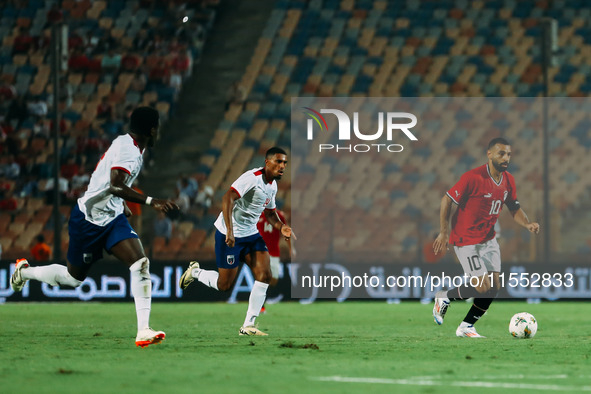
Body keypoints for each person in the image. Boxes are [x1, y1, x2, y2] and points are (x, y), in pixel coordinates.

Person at [10, 107, 178, 347]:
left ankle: (143, 330)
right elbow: (115, 185)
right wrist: (153, 201)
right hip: (88, 219)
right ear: (152, 130)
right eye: (157, 127)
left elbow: (110, 183)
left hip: (112, 218)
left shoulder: (127, 144)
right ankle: (24, 272)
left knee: (140, 263)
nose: (158, 132)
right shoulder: (129, 150)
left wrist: (120, 203)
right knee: (72, 279)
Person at [179, 147, 295, 336]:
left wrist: (281, 227)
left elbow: (270, 213)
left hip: (251, 235)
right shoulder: (252, 178)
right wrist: (230, 231)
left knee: (265, 274)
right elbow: (227, 197)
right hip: (228, 234)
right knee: (224, 285)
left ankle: (248, 325)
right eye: (278, 161)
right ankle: (196, 272)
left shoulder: (272, 186)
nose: (282, 166)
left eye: (284, 163)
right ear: (267, 162)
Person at [432, 138, 540, 338]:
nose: (506, 158)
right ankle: (444, 297)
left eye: (508, 154)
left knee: (494, 286)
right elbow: (447, 199)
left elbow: (514, 207)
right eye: (501, 153)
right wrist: (443, 231)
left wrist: (527, 223)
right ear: (489, 154)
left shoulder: (508, 180)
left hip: (488, 239)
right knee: (481, 286)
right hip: (466, 240)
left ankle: (466, 327)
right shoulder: (472, 178)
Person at [256, 209, 295, 310]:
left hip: (274, 252)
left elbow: (286, 232)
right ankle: (261, 305)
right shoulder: (256, 214)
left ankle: (262, 297)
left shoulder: (279, 215)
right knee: (262, 276)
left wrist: (291, 248)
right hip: (260, 251)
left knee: (273, 280)